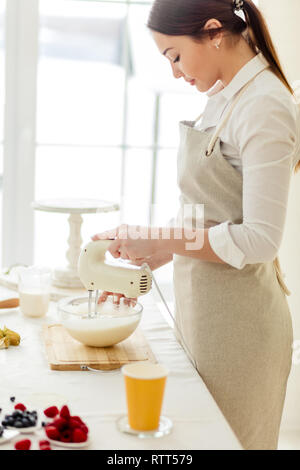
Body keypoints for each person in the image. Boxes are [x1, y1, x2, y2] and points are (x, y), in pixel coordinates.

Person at [93, 0, 300, 450]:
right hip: (202, 316)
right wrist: (151, 247)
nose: (175, 73)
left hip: (241, 333)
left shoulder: (265, 106)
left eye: (175, 56)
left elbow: (260, 240)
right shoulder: (223, 98)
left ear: (213, 33)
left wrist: (160, 238)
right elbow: (207, 212)